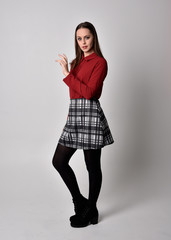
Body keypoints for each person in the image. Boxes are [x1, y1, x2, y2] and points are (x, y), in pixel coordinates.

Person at [52, 21, 114, 228]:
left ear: (94, 37)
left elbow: (88, 93)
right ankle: (80, 202)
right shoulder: (76, 62)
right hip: (76, 115)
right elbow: (74, 95)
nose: (83, 42)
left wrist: (66, 74)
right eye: (79, 38)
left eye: (87, 37)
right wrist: (69, 121)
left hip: (91, 115)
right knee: (58, 161)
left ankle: (90, 210)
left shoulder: (100, 62)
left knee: (92, 166)